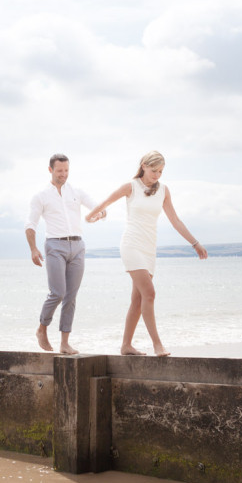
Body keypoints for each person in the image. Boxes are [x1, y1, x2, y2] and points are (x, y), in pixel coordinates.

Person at [85, 151, 207, 356]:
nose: (157, 175)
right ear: (143, 166)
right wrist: (91, 217)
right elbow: (105, 203)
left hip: (149, 248)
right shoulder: (130, 187)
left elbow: (175, 220)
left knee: (138, 299)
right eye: (154, 170)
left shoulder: (164, 191)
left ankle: (126, 345)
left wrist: (195, 243)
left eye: (161, 171)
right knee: (149, 293)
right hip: (131, 245)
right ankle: (157, 344)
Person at [25, 154, 103, 354]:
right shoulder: (41, 196)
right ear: (50, 170)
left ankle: (65, 343)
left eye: (66, 170)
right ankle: (42, 328)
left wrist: (99, 214)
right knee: (57, 292)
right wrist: (33, 248)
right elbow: (30, 225)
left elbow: (98, 207)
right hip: (55, 246)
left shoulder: (76, 192)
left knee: (71, 296)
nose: (64, 174)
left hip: (77, 246)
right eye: (59, 171)